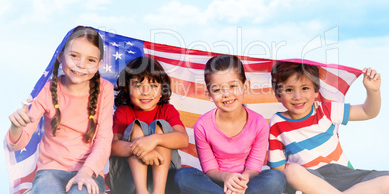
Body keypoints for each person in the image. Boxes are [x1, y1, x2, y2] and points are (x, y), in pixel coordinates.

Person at [7, 26, 114, 194]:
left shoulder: (105, 89)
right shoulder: (47, 89)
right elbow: (17, 144)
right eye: (74, 56)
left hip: (88, 172)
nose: (81, 65)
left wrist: (86, 172)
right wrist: (16, 126)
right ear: (60, 56)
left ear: (99, 64)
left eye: (90, 60)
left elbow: (104, 140)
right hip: (49, 172)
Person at [268, 62, 389, 194]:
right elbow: (278, 170)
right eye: (289, 90)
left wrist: (373, 91)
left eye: (305, 88)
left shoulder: (326, 110)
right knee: (291, 171)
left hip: (343, 175)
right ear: (278, 95)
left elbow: (367, 112)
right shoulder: (276, 122)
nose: (298, 96)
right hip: (309, 182)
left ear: (315, 91)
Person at [174, 54, 286, 194]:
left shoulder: (259, 123)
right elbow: (210, 169)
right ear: (209, 94)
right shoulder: (202, 125)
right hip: (215, 184)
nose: (226, 94)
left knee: (276, 178)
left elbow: (254, 166)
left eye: (233, 86)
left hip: (247, 184)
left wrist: (241, 182)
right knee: (183, 176)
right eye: (217, 89)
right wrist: (227, 177)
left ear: (245, 86)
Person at [109, 56, 189, 194]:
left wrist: (154, 140)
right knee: (136, 127)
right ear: (127, 88)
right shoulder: (124, 111)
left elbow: (183, 140)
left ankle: (158, 192)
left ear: (162, 89)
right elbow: (112, 146)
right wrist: (141, 149)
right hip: (129, 182)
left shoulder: (167, 110)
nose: (145, 92)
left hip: (166, 182)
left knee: (160, 126)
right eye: (138, 85)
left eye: (153, 85)